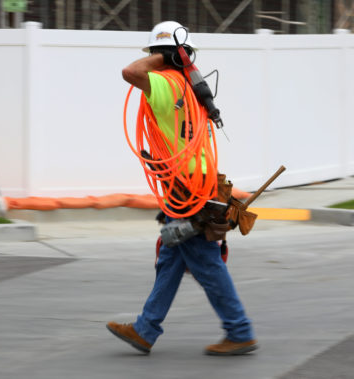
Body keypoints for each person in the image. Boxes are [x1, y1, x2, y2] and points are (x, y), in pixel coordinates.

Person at [106, 21, 257, 356]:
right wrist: (178, 57)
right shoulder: (192, 87)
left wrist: (163, 58)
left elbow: (130, 72)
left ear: (161, 55)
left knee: (206, 264)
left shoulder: (165, 85)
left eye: (156, 54)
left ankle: (240, 330)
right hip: (196, 182)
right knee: (171, 257)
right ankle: (145, 330)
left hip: (185, 187)